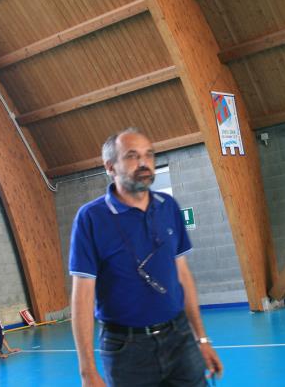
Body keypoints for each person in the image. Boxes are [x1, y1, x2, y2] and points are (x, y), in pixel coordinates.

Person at [69, 128, 223, 386]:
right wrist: (87, 371)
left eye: (149, 155)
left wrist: (202, 339)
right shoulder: (91, 218)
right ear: (110, 167)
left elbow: (183, 275)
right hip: (126, 349)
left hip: (180, 338)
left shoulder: (168, 206)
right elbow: (82, 295)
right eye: (132, 156)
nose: (143, 163)